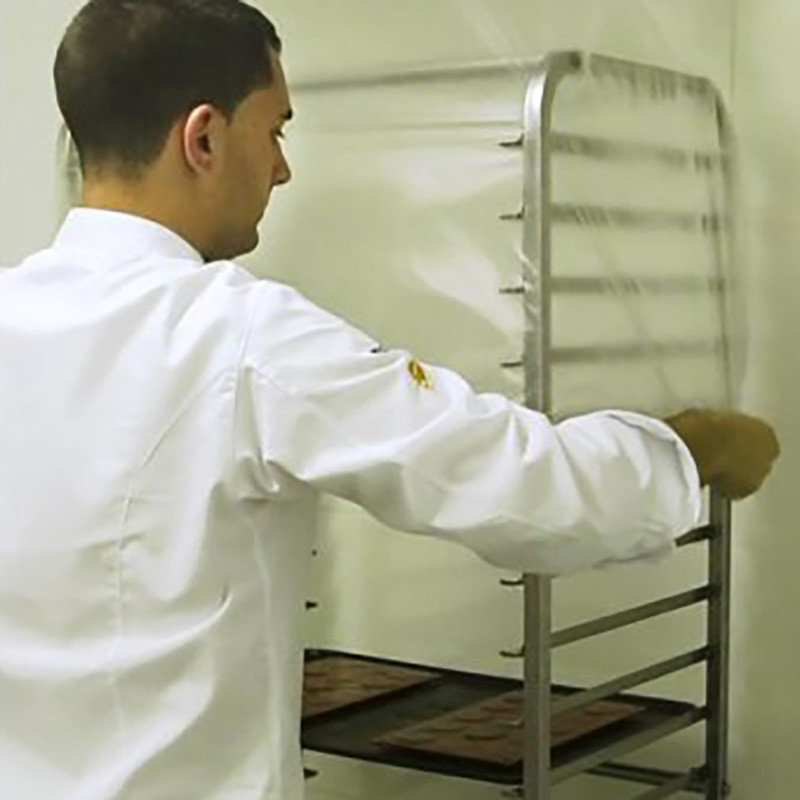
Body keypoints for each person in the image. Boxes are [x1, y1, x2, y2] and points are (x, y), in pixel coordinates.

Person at [0, 1, 779, 799]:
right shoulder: (239, 337)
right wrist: (696, 447)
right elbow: (523, 485)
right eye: (274, 130)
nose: (281, 168)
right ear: (203, 139)